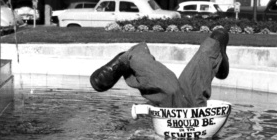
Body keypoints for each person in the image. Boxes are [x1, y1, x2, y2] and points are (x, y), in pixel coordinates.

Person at [89, 27, 229, 108]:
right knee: (171, 88)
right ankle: (128, 59)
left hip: (193, 107)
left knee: (219, 35)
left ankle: (220, 55)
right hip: (180, 108)